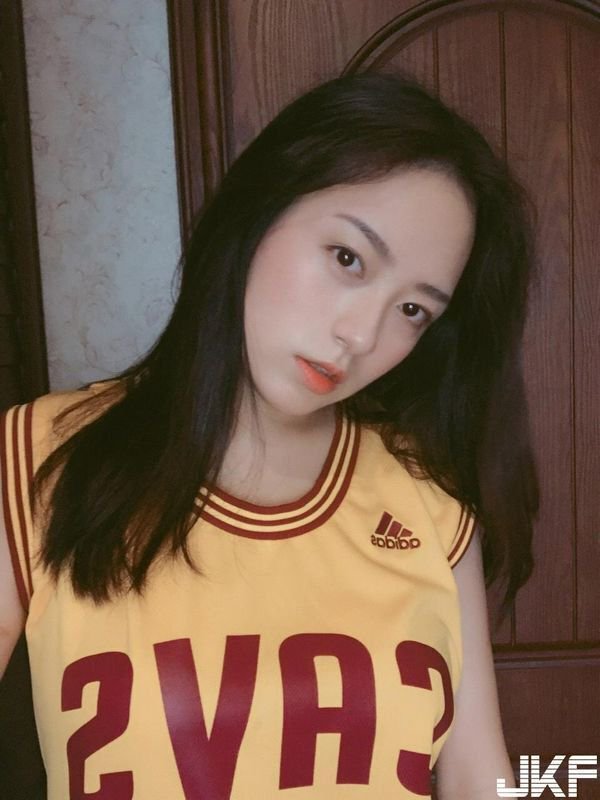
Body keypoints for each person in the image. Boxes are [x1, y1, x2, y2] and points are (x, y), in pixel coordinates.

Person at [0, 72, 538, 799]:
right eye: (347, 258)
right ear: (259, 210)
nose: (361, 335)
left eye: (413, 310)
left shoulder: (427, 496)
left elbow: (478, 775)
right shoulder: (36, 457)